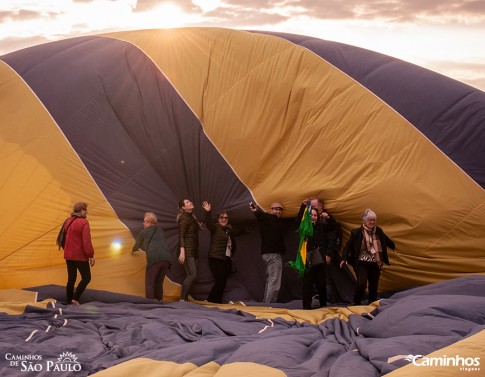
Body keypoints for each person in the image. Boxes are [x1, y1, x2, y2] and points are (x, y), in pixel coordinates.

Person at [340, 209, 395, 305]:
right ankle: (356, 302)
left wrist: (393, 246)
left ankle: (372, 305)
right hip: (361, 263)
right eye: (370, 220)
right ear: (364, 221)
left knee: (373, 286)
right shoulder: (356, 232)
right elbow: (348, 246)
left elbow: (385, 240)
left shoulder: (378, 231)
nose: (372, 222)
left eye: (374, 220)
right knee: (362, 284)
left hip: (375, 262)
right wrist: (344, 258)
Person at [296, 201, 338, 309]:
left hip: (320, 260)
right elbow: (297, 221)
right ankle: (306, 307)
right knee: (307, 285)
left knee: (321, 284)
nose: (313, 217)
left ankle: (323, 305)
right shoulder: (304, 228)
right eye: (311, 215)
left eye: (315, 215)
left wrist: (328, 217)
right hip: (307, 260)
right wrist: (303, 206)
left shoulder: (321, 226)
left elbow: (334, 227)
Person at [202, 201, 241, 303]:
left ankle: (217, 301)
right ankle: (211, 301)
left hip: (226, 259)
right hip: (215, 258)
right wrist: (208, 212)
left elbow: (235, 236)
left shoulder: (229, 229)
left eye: (225, 218)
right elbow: (208, 223)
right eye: (221, 218)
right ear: (218, 219)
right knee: (219, 281)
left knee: (223, 282)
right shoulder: (215, 228)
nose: (224, 219)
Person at [250, 201, 286, 304]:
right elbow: (262, 216)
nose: (278, 211)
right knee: (274, 281)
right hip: (273, 254)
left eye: (280, 209)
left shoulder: (272, 221)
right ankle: (269, 305)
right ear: (271, 210)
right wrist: (256, 211)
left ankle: (266, 303)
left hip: (268, 253)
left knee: (270, 280)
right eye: (275, 209)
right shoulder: (270, 218)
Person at [132, 212, 172, 301]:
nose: (143, 223)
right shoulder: (160, 231)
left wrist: (133, 250)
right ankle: (159, 301)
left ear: (149, 222)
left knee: (150, 283)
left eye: (145, 222)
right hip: (166, 259)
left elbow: (136, 245)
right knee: (159, 283)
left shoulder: (144, 232)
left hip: (154, 258)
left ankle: (149, 303)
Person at [62, 202, 95, 305]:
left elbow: (63, 239)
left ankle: (69, 301)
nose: (87, 211)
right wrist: (91, 255)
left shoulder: (68, 221)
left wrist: (67, 250)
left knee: (71, 278)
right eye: (85, 209)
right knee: (86, 278)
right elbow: (87, 241)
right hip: (80, 256)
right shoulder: (84, 222)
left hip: (68, 255)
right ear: (81, 210)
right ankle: (75, 299)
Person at [310, 197, 341, 303]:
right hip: (314, 254)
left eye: (314, 206)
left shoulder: (326, 218)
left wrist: (328, 254)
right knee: (316, 278)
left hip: (324, 254)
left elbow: (332, 238)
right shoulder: (314, 219)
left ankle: (326, 301)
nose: (312, 208)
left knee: (326, 279)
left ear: (321, 206)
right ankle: (318, 299)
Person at [177, 198, 201, 301]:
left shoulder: (191, 217)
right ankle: (182, 300)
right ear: (183, 207)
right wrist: (182, 252)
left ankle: (184, 300)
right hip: (187, 250)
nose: (190, 202)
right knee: (192, 275)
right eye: (187, 202)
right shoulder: (183, 218)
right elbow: (181, 236)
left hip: (194, 249)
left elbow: (191, 232)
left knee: (190, 275)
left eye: (190, 201)